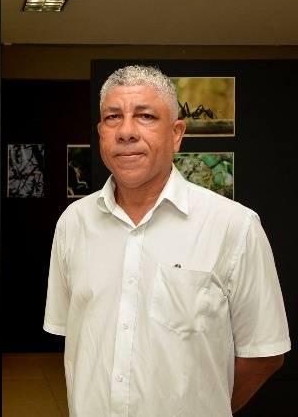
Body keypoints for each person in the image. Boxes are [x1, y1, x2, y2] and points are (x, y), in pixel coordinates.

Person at [43, 65, 291, 416]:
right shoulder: (73, 224)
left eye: (145, 116)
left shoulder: (234, 226)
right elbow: (77, 338)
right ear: (101, 132)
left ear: (176, 134)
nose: (126, 131)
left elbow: (265, 354)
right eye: (113, 117)